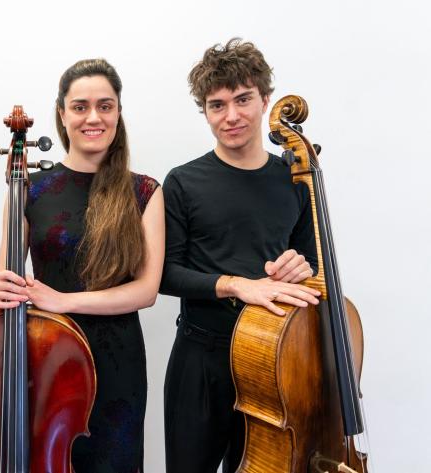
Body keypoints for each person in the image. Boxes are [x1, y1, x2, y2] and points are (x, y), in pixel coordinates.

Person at [0, 58, 164, 473]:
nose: (93, 117)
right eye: (81, 106)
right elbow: (5, 281)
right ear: (63, 114)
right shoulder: (29, 188)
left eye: (105, 106)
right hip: (45, 361)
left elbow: (146, 291)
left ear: (118, 114)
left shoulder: (144, 191)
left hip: (116, 369)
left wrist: (63, 300)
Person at [160, 38, 321, 473]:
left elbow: (312, 264)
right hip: (201, 362)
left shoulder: (295, 178)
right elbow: (165, 275)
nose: (231, 116)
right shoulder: (182, 182)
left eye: (243, 99)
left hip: (275, 361)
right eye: (217, 105)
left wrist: (302, 268)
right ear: (206, 111)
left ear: (266, 99)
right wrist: (235, 284)